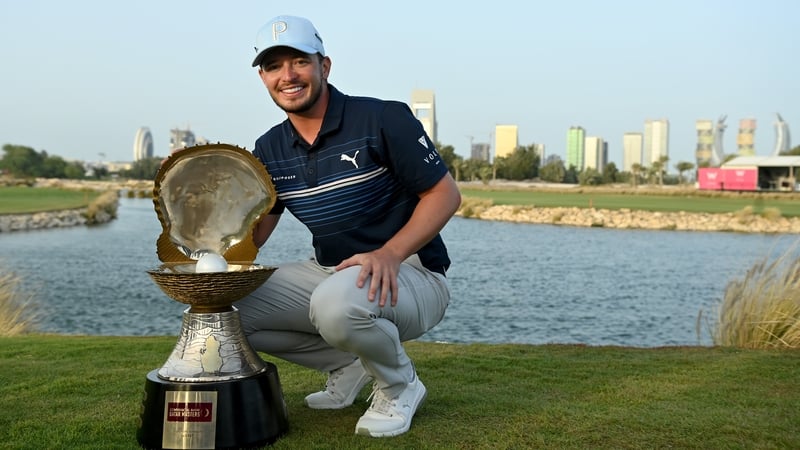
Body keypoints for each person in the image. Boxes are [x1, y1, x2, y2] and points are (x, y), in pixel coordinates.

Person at [235, 15, 461, 438]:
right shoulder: (268, 148)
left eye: (299, 61)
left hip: (412, 271)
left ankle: (400, 386)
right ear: (263, 77)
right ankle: (348, 364)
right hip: (331, 273)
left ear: (324, 66)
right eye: (273, 66)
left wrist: (389, 253)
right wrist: (196, 199)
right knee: (225, 310)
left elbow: (445, 195)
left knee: (336, 304)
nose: (287, 75)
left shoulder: (382, 118)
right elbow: (253, 239)